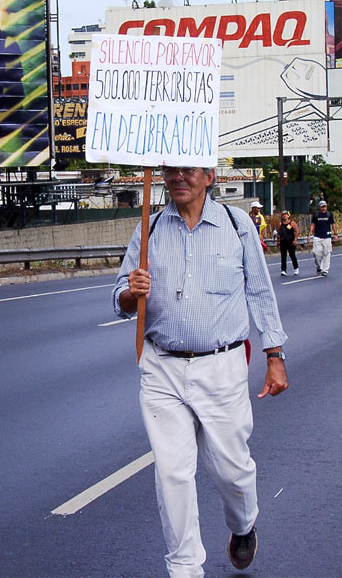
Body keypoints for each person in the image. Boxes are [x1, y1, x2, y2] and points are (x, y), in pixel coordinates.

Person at [112, 166, 288, 578]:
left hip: (222, 366)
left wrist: (275, 354)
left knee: (232, 469)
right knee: (172, 472)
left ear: (208, 176)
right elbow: (118, 297)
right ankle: (185, 568)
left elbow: (260, 290)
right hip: (162, 368)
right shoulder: (149, 228)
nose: (178, 178)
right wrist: (128, 292)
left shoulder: (236, 223)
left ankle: (243, 525)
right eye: (170, 171)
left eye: (187, 171)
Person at [307, 200, 338, 276]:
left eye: (325, 207)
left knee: (327, 253)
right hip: (317, 236)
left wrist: (335, 234)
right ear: (319, 207)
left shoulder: (329, 214)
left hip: (327, 237)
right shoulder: (316, 215)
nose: (323, 208)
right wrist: (309, 233)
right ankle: (318, 267)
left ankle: (325, 270)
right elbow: (313, 224)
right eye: (322, 207)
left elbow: (333, 224)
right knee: (316, 253)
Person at [277, 209, 299, 276]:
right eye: (283, 215)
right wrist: (278, 242)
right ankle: (283, 270)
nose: (284, 216)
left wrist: (295, 239)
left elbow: (297, 231)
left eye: (286, 214)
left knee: (292, 255)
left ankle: (296, 268)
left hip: (290, 241)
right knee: (283, 256)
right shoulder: (280, 224)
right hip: (283, 241)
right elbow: (278, 233)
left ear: (288, 215)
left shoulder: (292, 223)